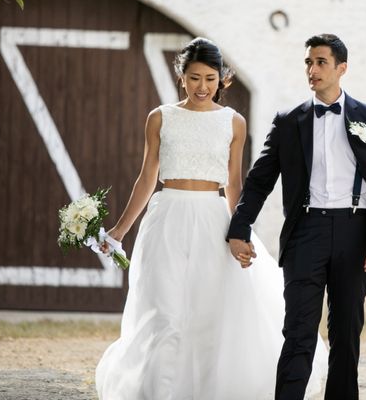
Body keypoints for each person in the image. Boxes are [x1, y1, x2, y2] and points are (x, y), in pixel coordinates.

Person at [95, 37, 327, 400]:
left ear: (222, 80)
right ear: (181, 77)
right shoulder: (160, 117)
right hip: (166, 217)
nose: (202, 86)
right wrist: (119, 230)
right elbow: (146, 178)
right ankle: (158, 391)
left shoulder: (233, 122)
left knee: (207, 313)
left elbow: (235, 184)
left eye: (209, 79)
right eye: (194, 78)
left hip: (212, 219)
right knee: (163, 311)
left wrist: (241, 231)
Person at [227, 33, 366, 400]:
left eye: (321, 62)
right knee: (298, 332)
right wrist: (240, 228)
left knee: (346, 334)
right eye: (308, 63)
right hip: (305, 234)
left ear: (341, 68)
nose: (312, 70)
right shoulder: (288, 121)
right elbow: (259, 181)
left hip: (355, 233)